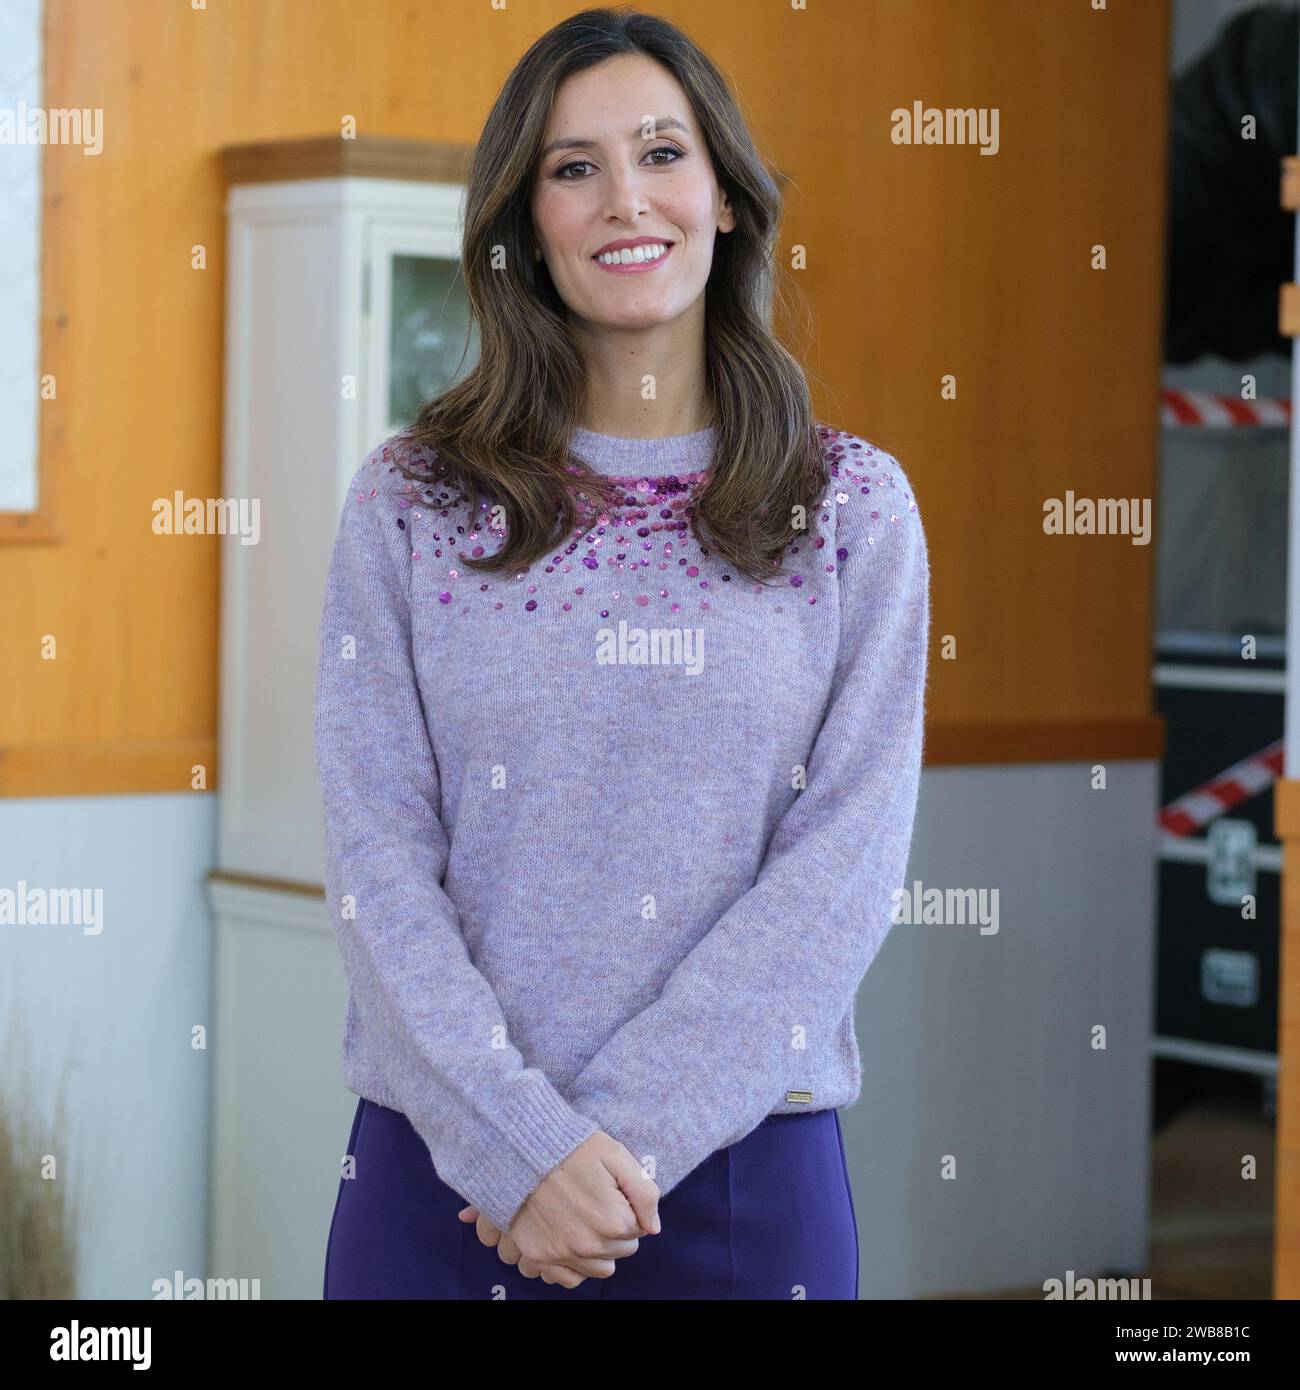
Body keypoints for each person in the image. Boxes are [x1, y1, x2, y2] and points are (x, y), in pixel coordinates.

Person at [314, 5, 930, 1301]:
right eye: (572, 167)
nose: (623, 198)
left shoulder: (853, 506)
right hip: (447, 1180)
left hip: (740, 1188)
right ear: (523, 222)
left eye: (662, 152)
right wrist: (517, 1150)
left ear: (725, 198)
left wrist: (610, 1152)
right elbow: (376, 856)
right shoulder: (411, 499)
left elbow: (847, 868)